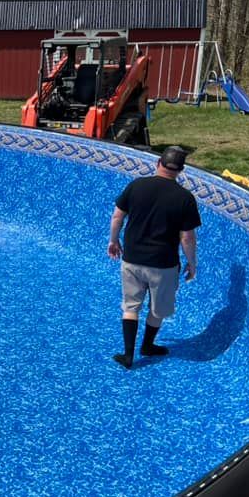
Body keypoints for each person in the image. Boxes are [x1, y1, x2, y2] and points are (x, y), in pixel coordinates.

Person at [107, 146, 201, 369]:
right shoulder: (184, 198)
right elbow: (187, 238)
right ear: (181, 170)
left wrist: (113, 240)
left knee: (131, 307)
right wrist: (192, 263)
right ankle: (148, 346)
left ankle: (128, 355)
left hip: (132, 259)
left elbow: (117, 216)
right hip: (163, 264)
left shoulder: (137, 185)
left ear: (158, 163)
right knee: (157, 309)